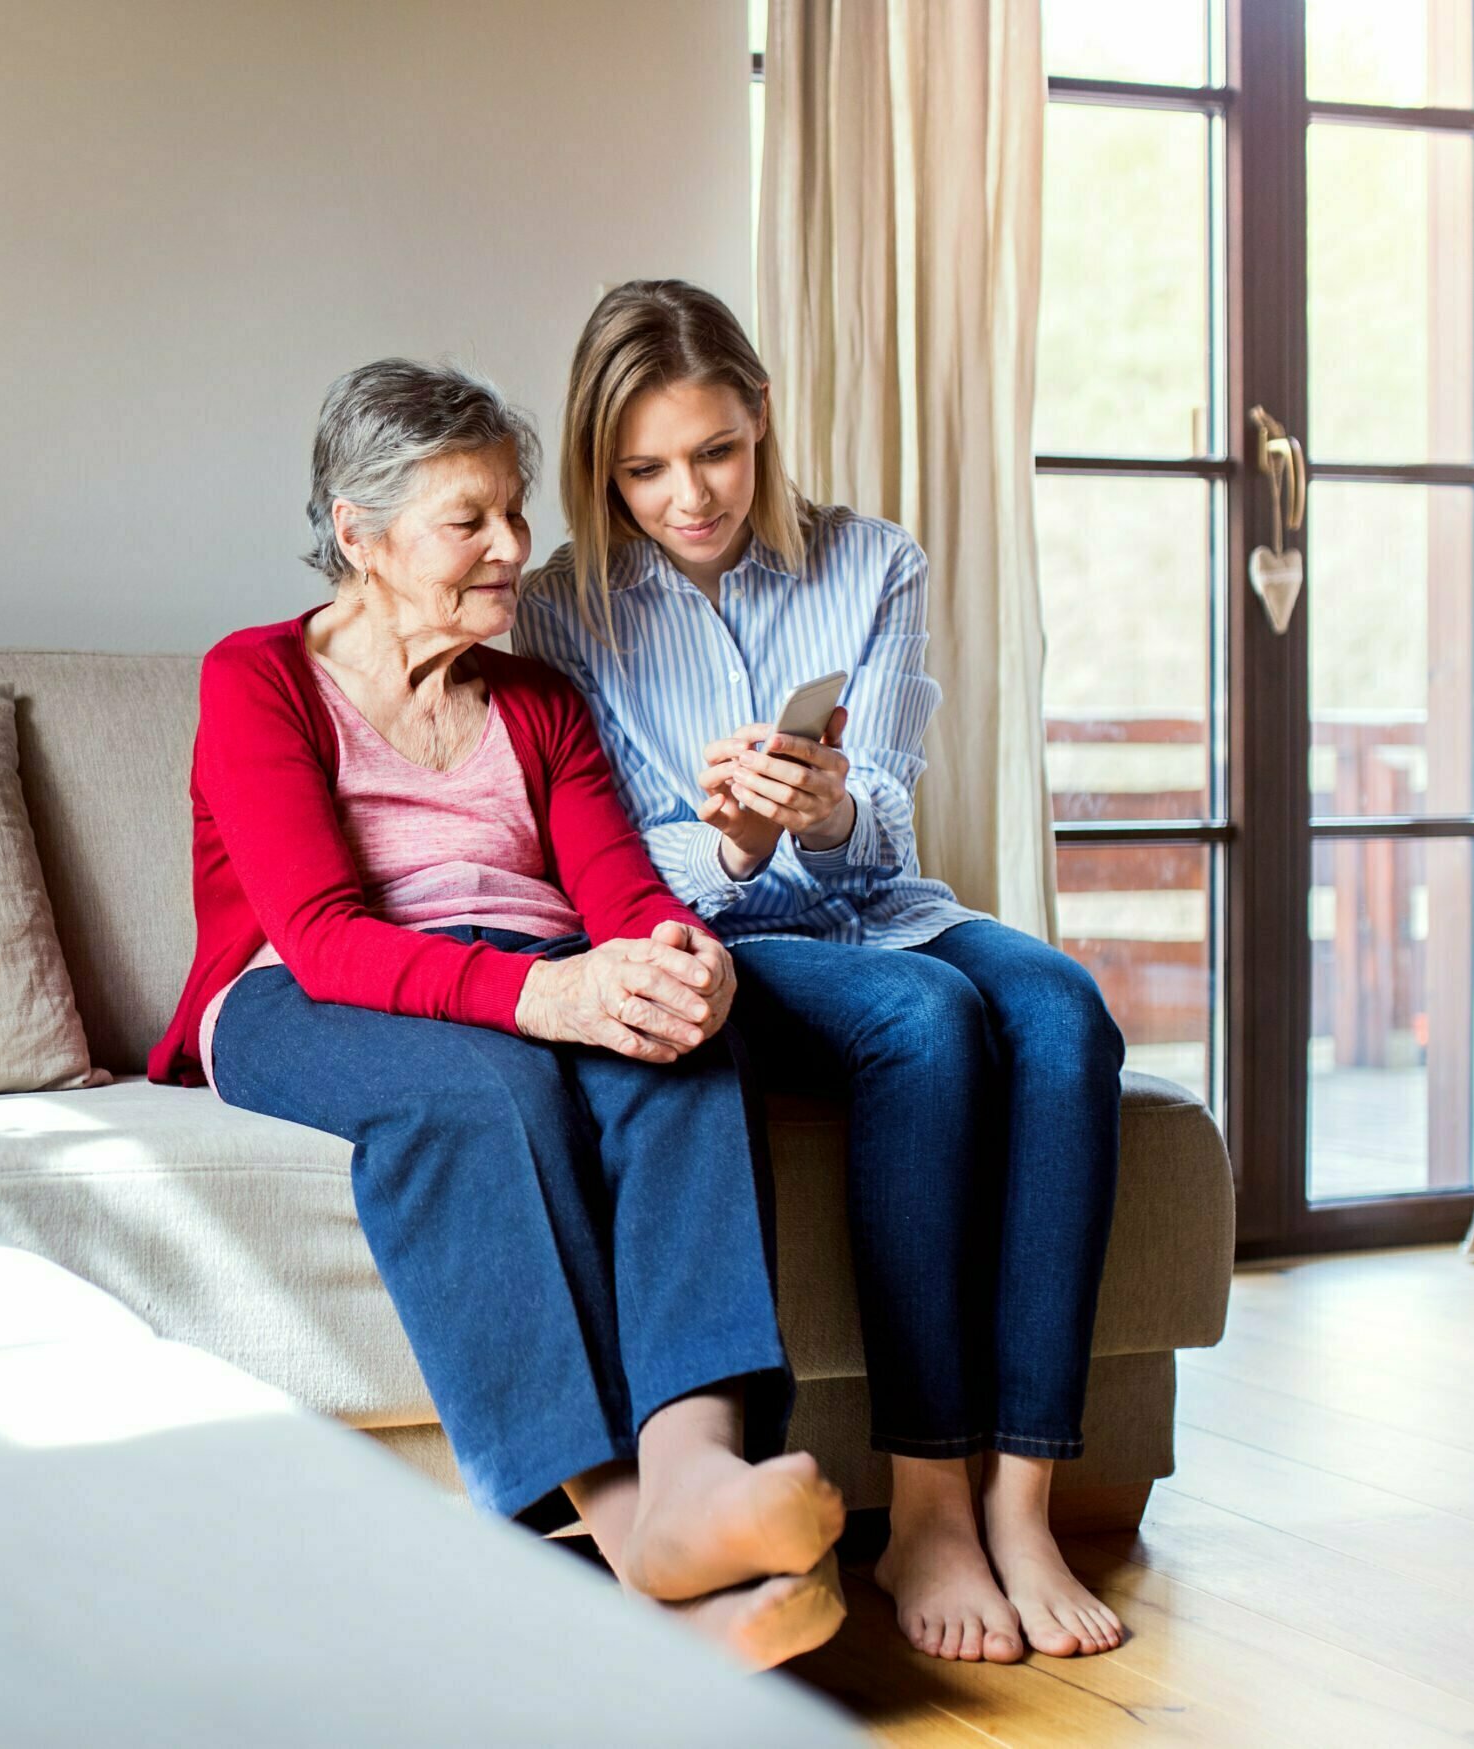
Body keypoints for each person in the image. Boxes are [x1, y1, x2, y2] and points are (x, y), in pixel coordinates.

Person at [149, 359, 844, 1669]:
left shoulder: (535, 699)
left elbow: (623, 895)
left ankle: (698, 1469)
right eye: (469, 519)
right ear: (358, 535)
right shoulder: (257, 679)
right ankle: (632, 1529)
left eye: (514, 511)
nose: (514, 547)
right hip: (300, 995)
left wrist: (676, 961)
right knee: (485, 1087)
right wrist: (550, 992)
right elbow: (323, 935)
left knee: (686, 1043)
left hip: (520, 972)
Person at [518, 280, 1128, 1663]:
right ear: (603, 467)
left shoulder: (875, 563)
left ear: (764, 422)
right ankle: (924, 1505)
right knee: (927, 1021)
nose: (690, 496)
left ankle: (1023, 1502)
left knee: (1060, 1009)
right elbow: (595, 862)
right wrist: (731, 846)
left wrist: (831, 809)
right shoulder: (563, 614)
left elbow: (893, 817)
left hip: (878, 902)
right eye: (647, 468)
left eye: (717, 451)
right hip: (725, 938)